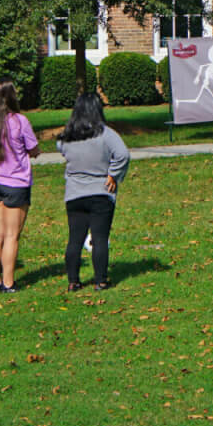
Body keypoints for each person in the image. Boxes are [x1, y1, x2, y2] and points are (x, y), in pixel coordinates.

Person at [58, 94, 131, 290]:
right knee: (99, 238)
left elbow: (61, 148)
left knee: (75, 239)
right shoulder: (106, 134)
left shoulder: (68, 135)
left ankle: (73, 281)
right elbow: (123, 154)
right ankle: (101, 280)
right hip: (101, 191)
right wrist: (113, 174)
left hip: (74, 194)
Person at [0, 79, 40, 293]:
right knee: (12, 236)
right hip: (15, 182)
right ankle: (8, 282)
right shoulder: (20, 121)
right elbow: (33, 149)